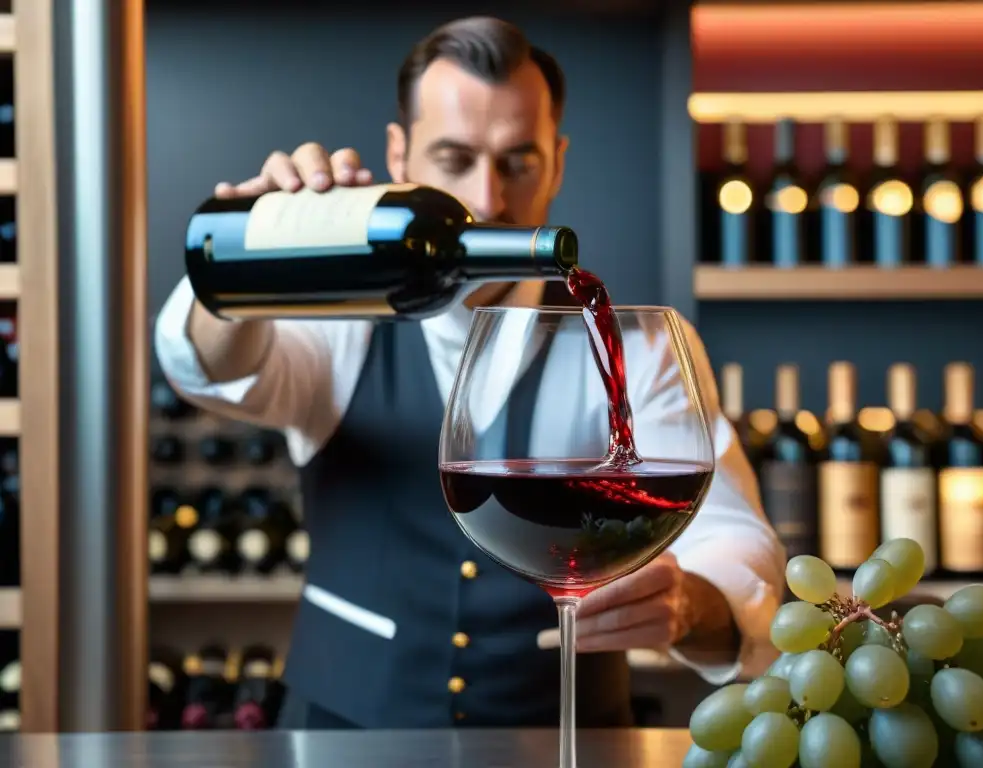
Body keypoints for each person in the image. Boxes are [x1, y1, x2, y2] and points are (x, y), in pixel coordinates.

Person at [154, 16, 785, 730]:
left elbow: (736, 540)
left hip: (563, 736)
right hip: (344, 737)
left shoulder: (638, 347)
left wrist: (688, 605)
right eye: (454, 159)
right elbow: (203, 365)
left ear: (558, 162)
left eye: (518, 160)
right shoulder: (338, 316)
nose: (487, 201)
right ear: (401, 156)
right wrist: (253, 249)